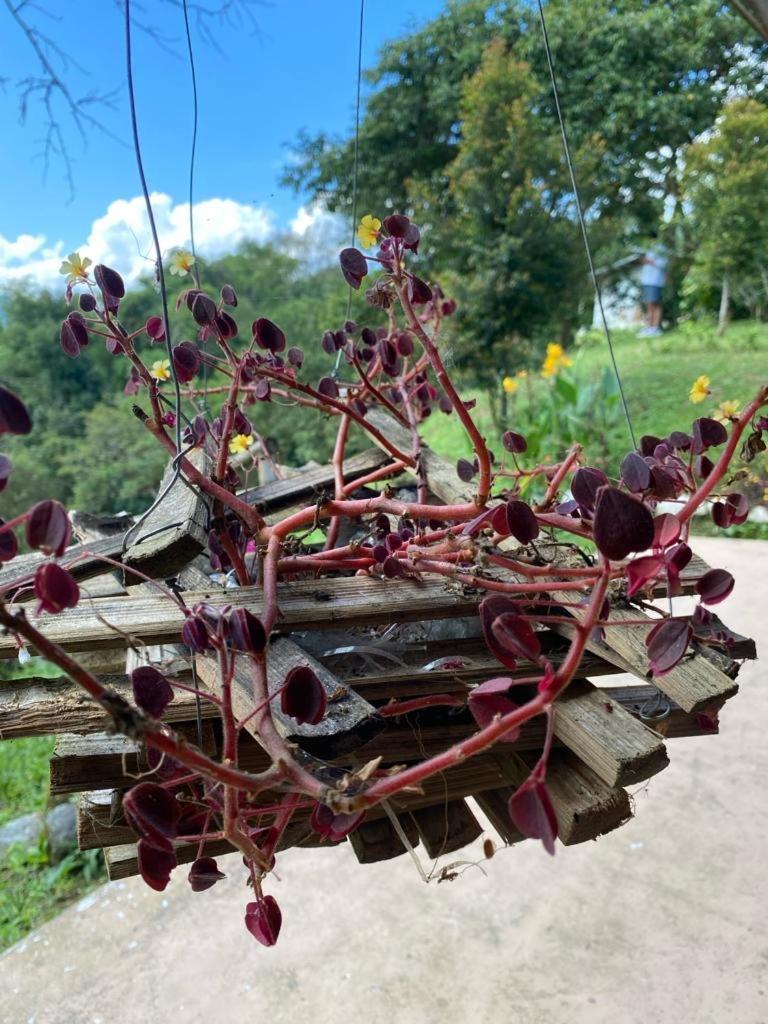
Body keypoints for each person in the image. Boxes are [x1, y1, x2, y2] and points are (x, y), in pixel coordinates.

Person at [639, 230, 668, 336]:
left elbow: (663, 264)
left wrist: (650, 261)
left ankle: (655, 328)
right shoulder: (646, 249)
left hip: (655, 280)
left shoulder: (661, 249)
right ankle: (650, 327)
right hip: (646, 280)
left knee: (655, 304)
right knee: (649, 304)